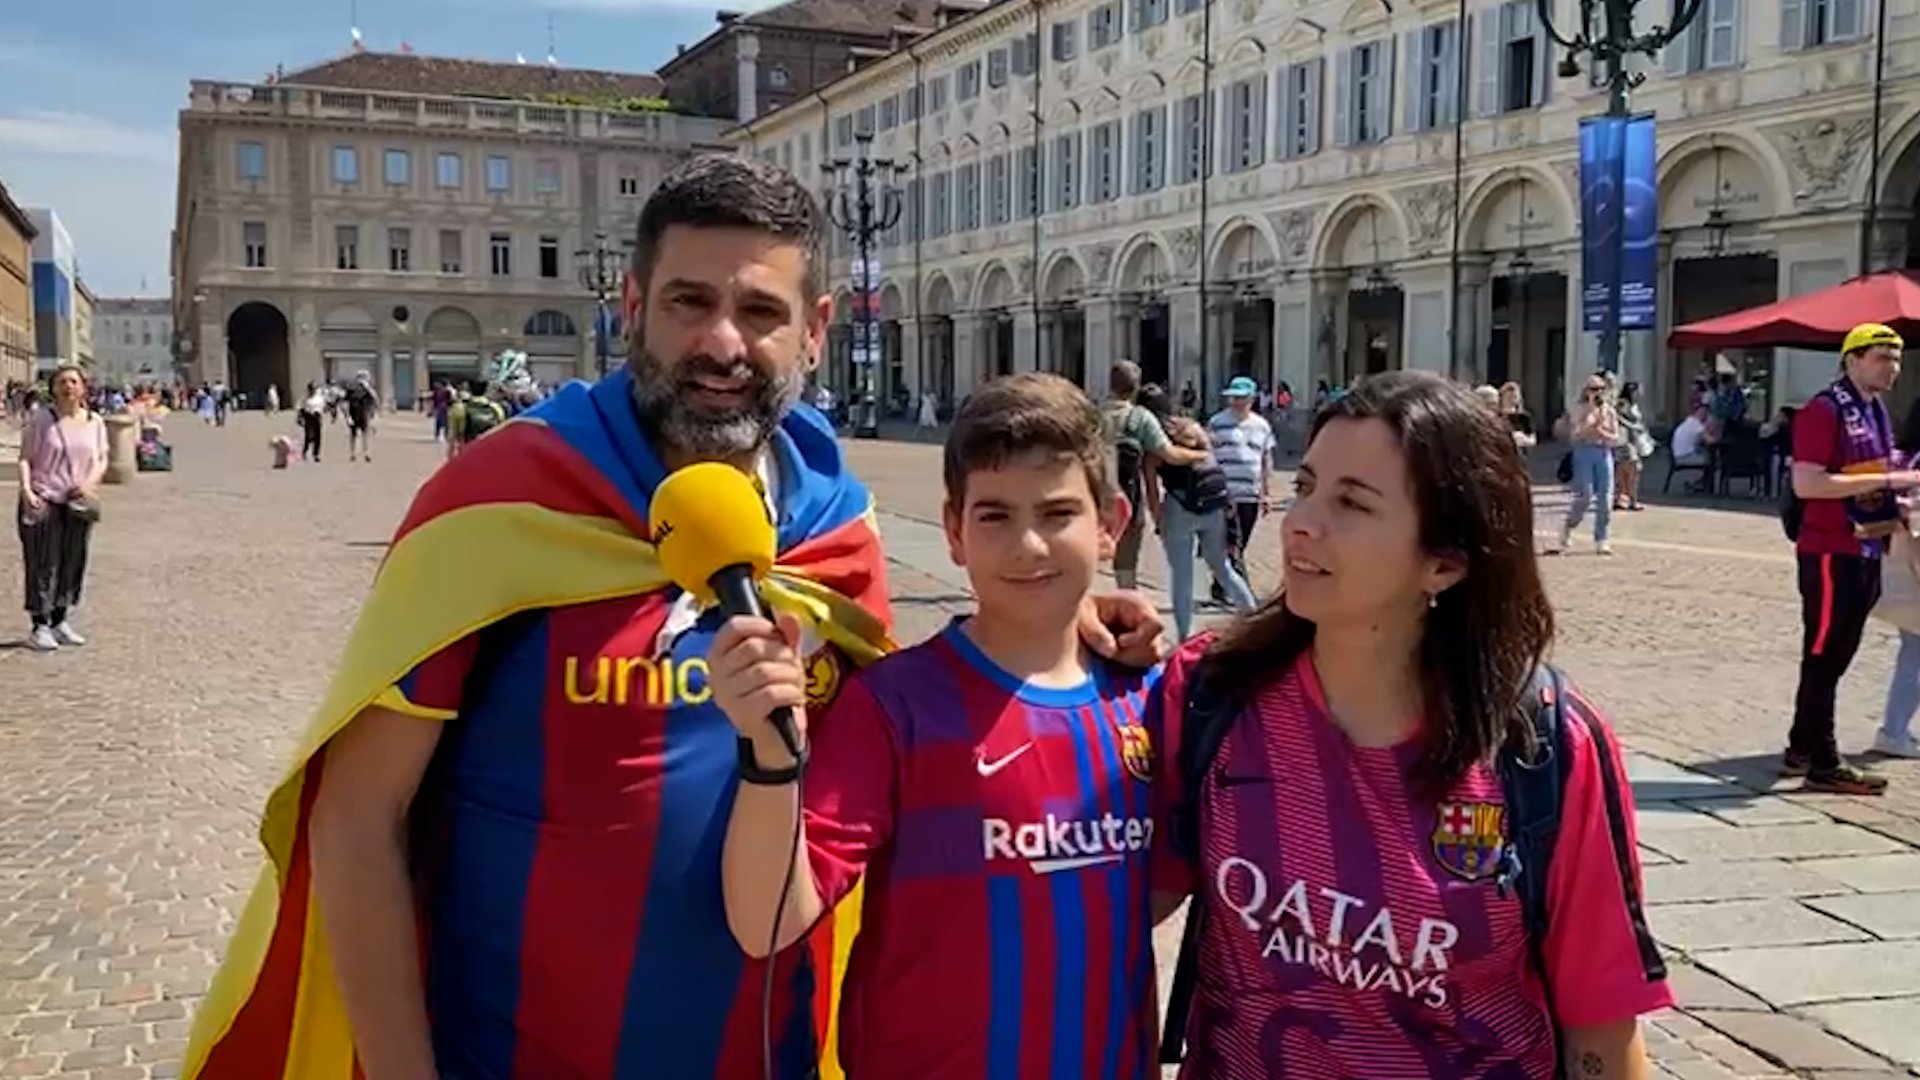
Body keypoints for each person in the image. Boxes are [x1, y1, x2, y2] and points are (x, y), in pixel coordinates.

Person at [183, 154, 1164, 1080]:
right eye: (690, 302)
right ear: (632, 307)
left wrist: (1060, 619)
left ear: (816, 329)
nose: (723, 343)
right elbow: (359, 819)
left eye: (760, 310)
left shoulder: (835, 528)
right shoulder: (502, 502)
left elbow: (911, 723)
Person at [1152, 371, 1670, 1078]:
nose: (1302, 522)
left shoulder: (1542, 745)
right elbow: (1102, 908)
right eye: (1305, 488)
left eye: (1352, 504)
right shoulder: (1210, 693)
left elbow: (1601, 1034)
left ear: (1446, 562)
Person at [710, 373, 1164, 1078]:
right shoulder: (896, 706)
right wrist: (768, 751)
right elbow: (767, 918)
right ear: (953, 531)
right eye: (995, 516)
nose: (1029, 545)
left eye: (1057, 513)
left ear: (1111, 523)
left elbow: (1157, 892)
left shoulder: (1152, 699)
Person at [1783, 323, 1920, 795]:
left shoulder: (1876, 409)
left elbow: (1876, 475)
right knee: (1825, 655)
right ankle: (1823, 760)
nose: (1892, 367)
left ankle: (1801, 746)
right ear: (1852, 359)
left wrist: (1897, 500)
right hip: (1829, 550)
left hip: (1867, 545)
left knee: (1835, 654)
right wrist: (1889, 483)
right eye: (1882, 357)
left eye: (1897, 358)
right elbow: (1808, 483)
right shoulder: (1824, 410)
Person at [15, 364, 107, 651]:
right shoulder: (43, 419)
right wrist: (27, 490)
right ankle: (40, 625)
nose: (68, 387)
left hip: (77, 502)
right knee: (44, 563)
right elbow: (25, 458)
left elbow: (102, 458)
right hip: (44, 498)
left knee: (72, 561)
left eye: (73, 382)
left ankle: (60, 619)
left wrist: (89, 483)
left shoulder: (95, 422)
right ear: (53, 388)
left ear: (83, 387)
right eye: (62, 382)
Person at [1102, 360, 1206, 590]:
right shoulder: (1140, 418)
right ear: (1136, 386)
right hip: (1127, 498)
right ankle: (1125, 599)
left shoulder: (1091, 415)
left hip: (1094, 497)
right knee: (1126, 561)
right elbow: (1169, 454)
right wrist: (1201, 456)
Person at [1157, 414, 1259, 638]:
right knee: (1223, 568)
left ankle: (1185, 636)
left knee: (1182, 576)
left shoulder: (1165, 446)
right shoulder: (1206, 448)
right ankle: (1254, 619)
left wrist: (1157, 515)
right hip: (1214, 508)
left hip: (1180, 507)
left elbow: (1151, 478)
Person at [1207, 375, 1275, 601]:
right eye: (1233, 397)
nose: (1236, 401)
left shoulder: (1261, 426)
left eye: (1241, 397)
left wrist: (1266, 493)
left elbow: (1266, 459)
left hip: (1251, 494)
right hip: (1225, 494)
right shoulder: (1217, 422)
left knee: (1241, 541)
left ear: (1252, 399)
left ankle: (1220, 583)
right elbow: (1208, 457)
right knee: (1230, 542)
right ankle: (1240, 592)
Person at [1556, 374, 1622, 555]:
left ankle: (1602, 538)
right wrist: (1590, 419)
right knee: (1585, 494)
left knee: (1605, 498)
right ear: (1586, 391)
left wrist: (1602, 431)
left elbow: (1616, 438)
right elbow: (1576, 435)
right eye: (1594, 389)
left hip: (1603, 452)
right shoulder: (1579, 410)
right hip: (1583, 452)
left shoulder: (1609, 411)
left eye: (1601, 389)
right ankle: (1570, 524)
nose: (1598, 393)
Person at [1615, 381, 1654, 511]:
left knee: (1626, 470)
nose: (1640, 394)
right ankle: (1630, 499)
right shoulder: (1623, 403)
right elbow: (1618, 418)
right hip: (1625, 440)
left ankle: (1624, 498)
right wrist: (1633, 426)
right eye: (1638, 391)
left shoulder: (1634, 405)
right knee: (1633, 468)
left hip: (1634, 440)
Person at [446, 378, 507, 460]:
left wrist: (450, 458)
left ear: (469, 390)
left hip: (467, 453)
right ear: (486, 390)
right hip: (490, 454)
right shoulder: (496, 408)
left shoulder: (459, 408)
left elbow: (452, 436)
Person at [343, 371, 377, 462]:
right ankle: (352, 453)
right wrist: (347, 417)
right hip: (353, 414)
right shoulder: (351, 389)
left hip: (364, 414)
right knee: (353, 435)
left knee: (365, 434)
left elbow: (375, 399)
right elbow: (345, 403)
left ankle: (366, 453)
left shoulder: (368, 390)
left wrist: (368, 387)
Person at [298, 381, 325, 462]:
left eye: (314, 389)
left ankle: (316, 454)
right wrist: (299, 418)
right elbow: (301, 409)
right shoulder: (305, 398)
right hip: (308, 416)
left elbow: (322, 407)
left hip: (317, 416)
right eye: (311, 389)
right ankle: (305, 452)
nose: (312, 390)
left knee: (318, 436)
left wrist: (321, 416)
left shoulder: (319, 398)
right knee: (308, 436)